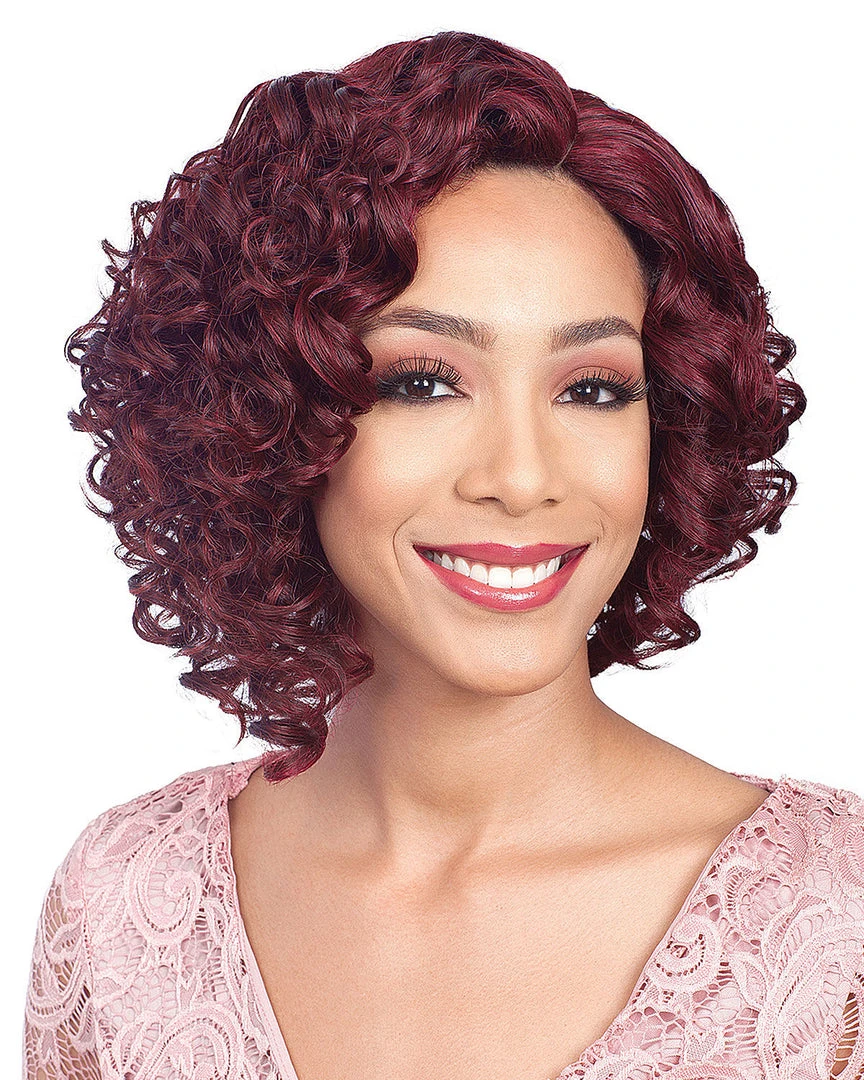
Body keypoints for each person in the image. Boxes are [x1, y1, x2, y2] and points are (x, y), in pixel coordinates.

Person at [22, 29, 864, 1080]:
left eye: (593, 388)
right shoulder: (121, 908)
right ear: (271, 420)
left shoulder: (833, 931)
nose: (522, 475)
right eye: (423, 382)